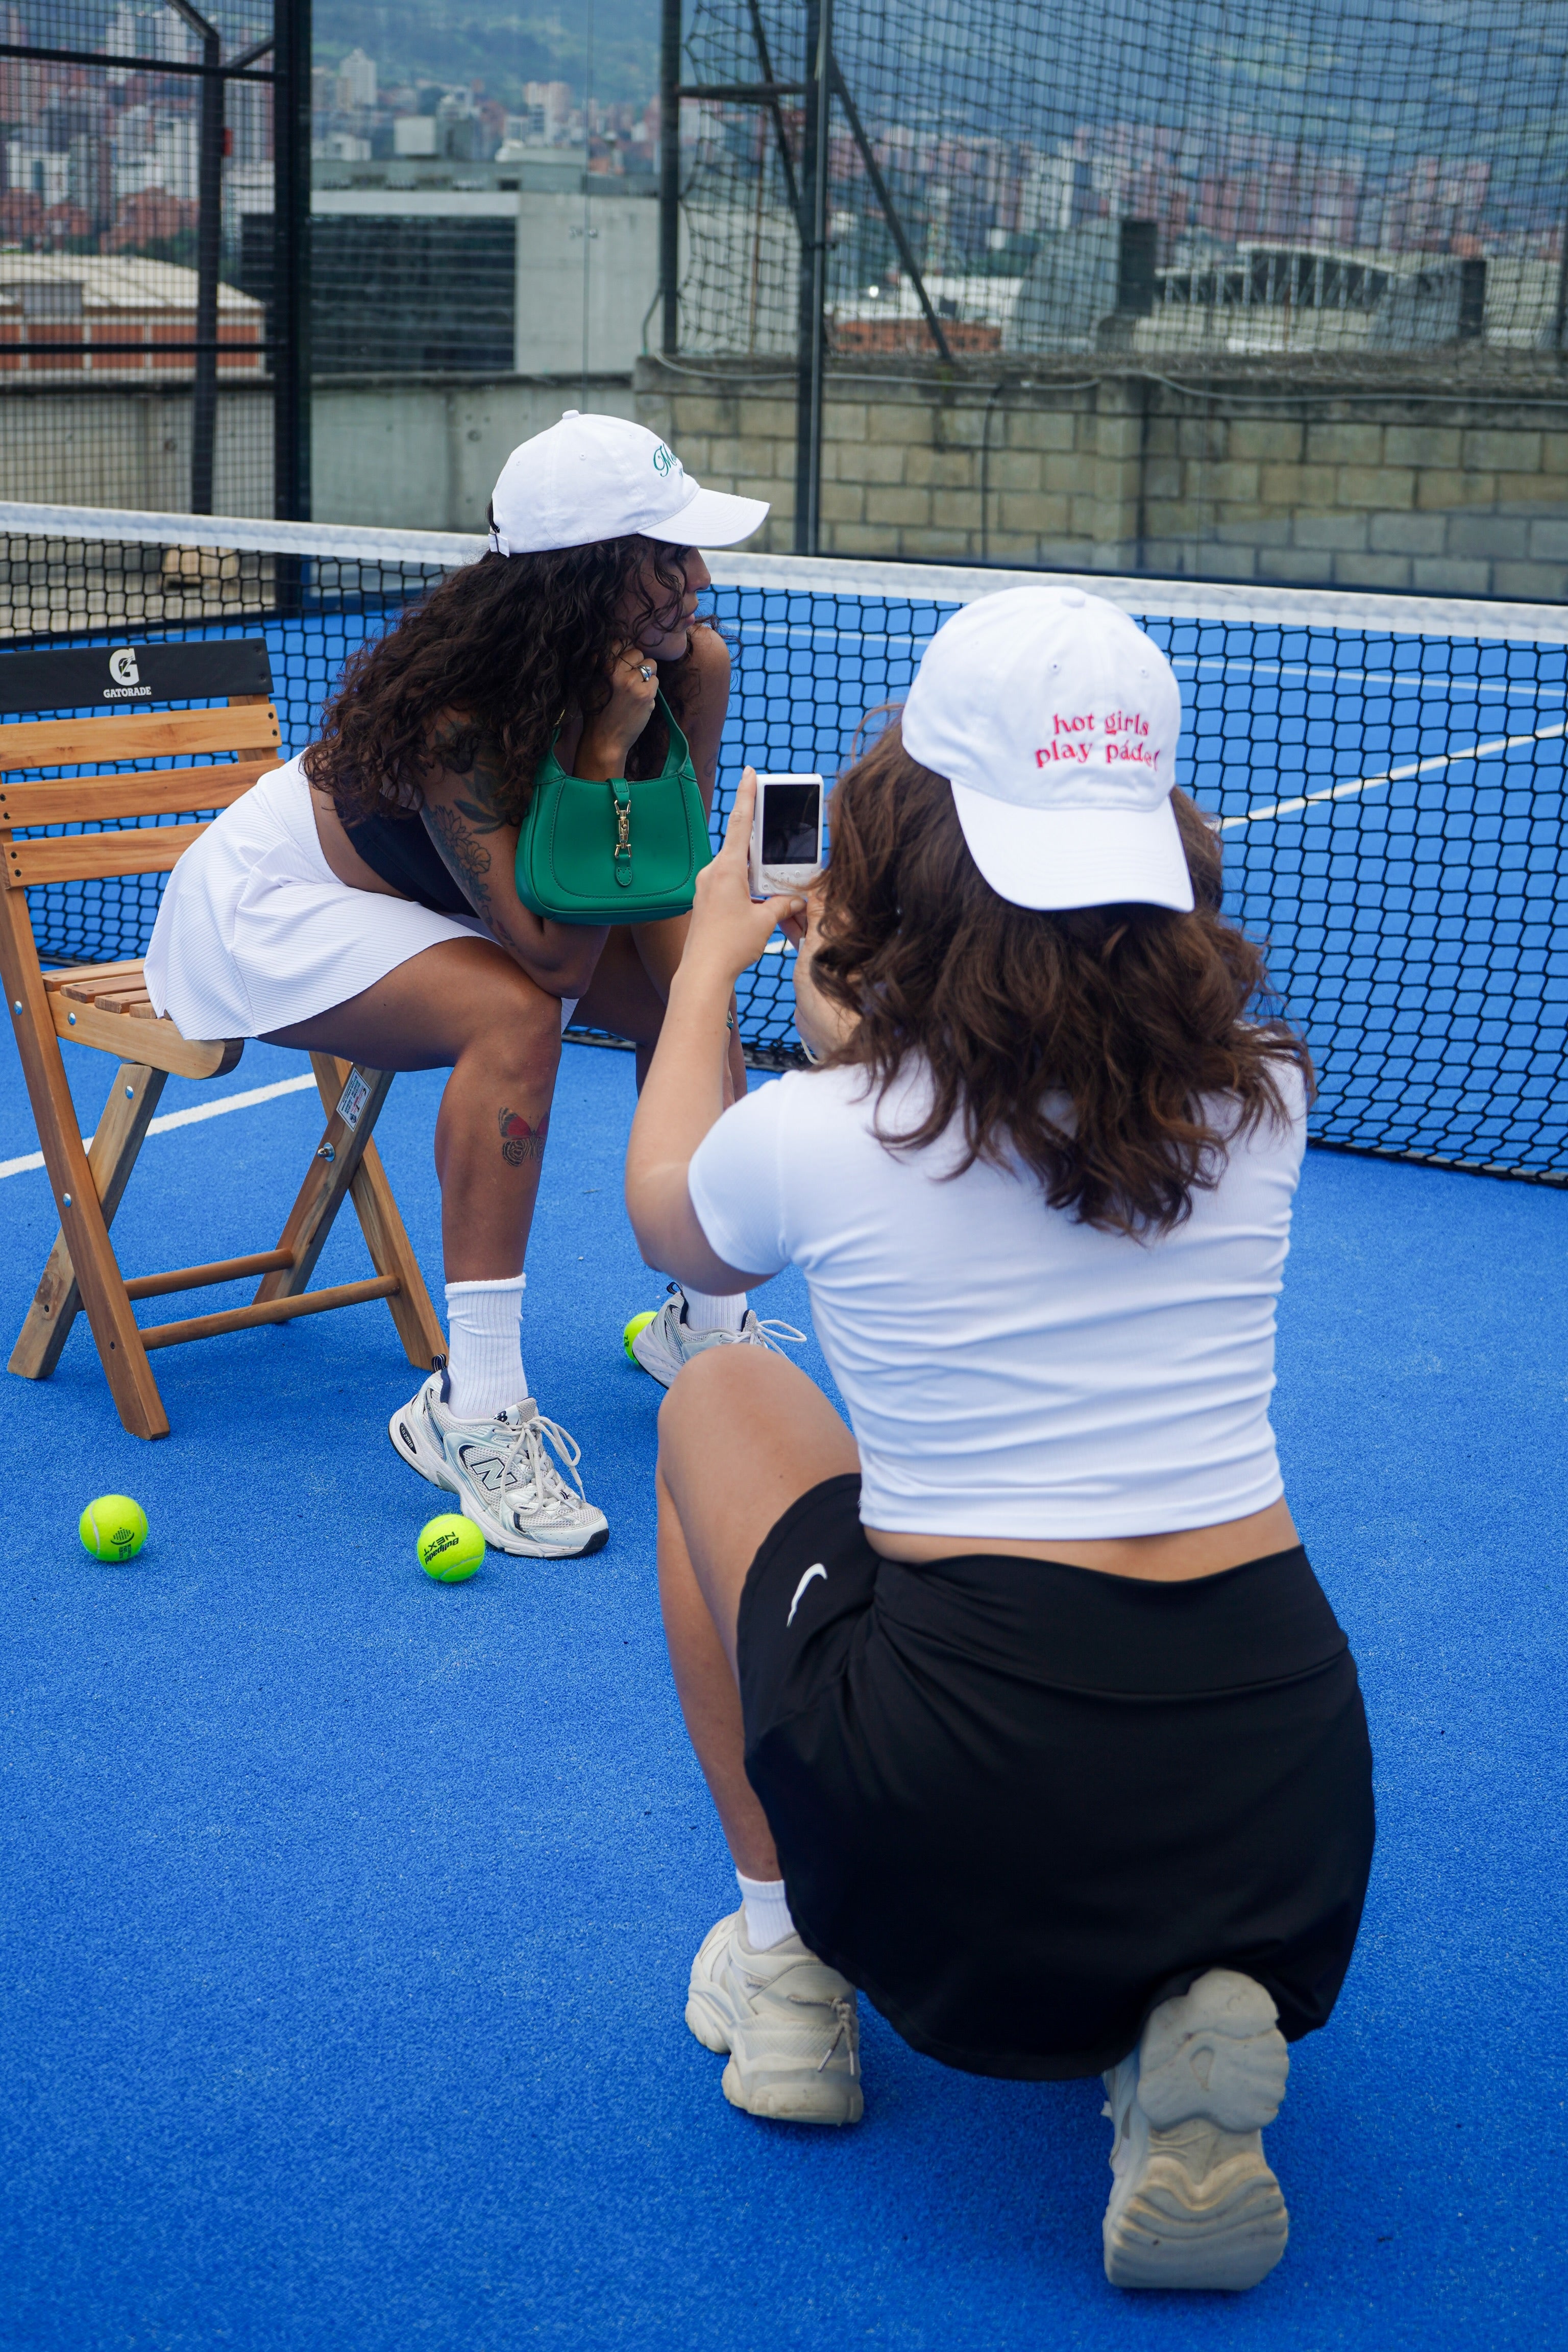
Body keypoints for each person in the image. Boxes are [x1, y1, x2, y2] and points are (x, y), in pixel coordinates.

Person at [623, 587, 1376, 2293]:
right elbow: (1028, 1104)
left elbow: (678, 1225)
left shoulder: (825, 1127)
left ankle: (787, 1965)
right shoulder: (1263, 1089)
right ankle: (1175, 2009)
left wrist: (703, 976)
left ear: (909, 834)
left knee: (718, 1394)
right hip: (1284, 1796)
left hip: (962, 1787)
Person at [145, 411, 792, 1556]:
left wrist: (707, 973)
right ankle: (475, 1405)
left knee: (698, 986)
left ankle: (706, 1317)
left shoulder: (690, 664)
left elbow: (659, 886)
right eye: (664, 555)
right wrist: (599, 754)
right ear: (585, 578)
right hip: (280, 909)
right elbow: (553, 957)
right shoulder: (459, 716)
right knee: (514, 1012)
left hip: (462, 903)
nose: (697, 577)